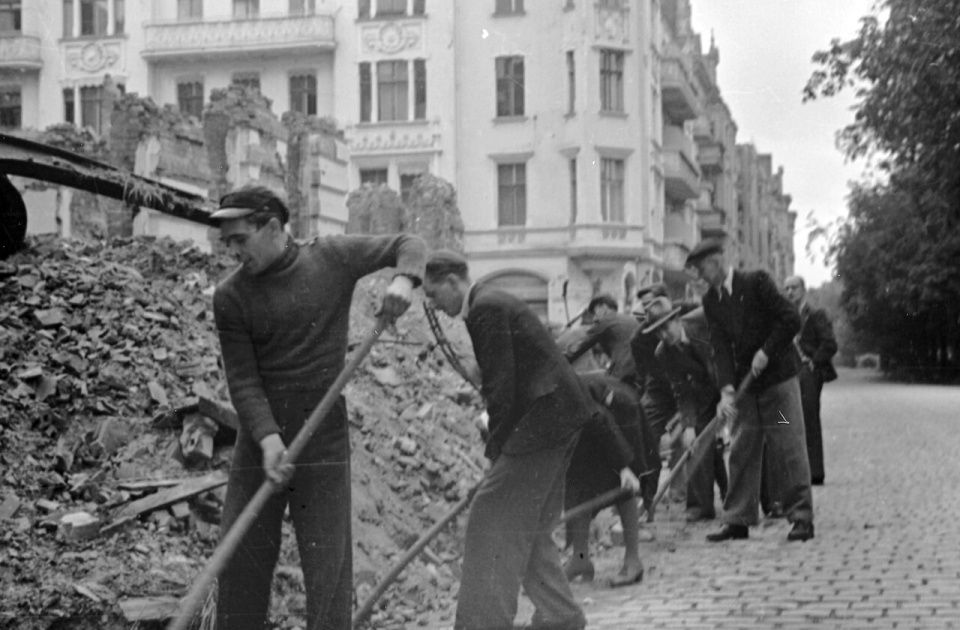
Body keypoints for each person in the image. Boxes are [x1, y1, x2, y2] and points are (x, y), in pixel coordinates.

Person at [211, 185, 426, 630]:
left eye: (240, 239)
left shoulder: (330, 258)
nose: (233, 252)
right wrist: (268, 440)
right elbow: (244, 381)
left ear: (272, 227)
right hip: (260, 439)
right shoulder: (230, 297)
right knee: (240, 561)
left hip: (322, 432)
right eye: (226, 242)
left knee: (328, 568)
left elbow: (410, 244)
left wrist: (405, 279)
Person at [423, 250, 590, 630]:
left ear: (453, 282)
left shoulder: (484, 307)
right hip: (556, 418)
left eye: (434, 295)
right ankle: (560, 616)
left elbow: (501, 387)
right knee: (528, 527)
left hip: (543, 423)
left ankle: (484, 623)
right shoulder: (489, 303)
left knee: (489, 515)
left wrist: (495, 452)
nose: (434, 305)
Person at [685, 238, 815, 543]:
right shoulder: (712, 302)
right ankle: (738, 519)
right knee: (742, 449)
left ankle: (801, 519)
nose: (699, 276)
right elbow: (720, 349)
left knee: (787, 446)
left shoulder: (756, 282)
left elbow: (791, 319)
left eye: (701, 268)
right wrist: (727, 390)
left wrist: (767, 351)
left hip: (778, 383)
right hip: (748, 389)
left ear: (717, 261)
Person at [562, 372, 654, 588]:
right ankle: (580, 559)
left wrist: (624, 466)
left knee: (622, 482)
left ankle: (633, 560)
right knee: (576, 480)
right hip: (589, 417)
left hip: (618, 409)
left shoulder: (556, 395)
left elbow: (600, 420)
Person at [643, 296, 726, 522]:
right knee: (696, 437)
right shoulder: (663, 352)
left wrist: (727, 395)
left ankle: (770, 499)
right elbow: (681, 391)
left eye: (665, 327)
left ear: (677, 319)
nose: (663, 335)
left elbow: (726, 358)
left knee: (750, 433)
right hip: (704, 393)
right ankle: (701, 505)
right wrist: (688, 424)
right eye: (657, 331)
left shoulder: (703, 327)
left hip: (734, 377)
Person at [784, 275, 838, 486]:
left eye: (794, 288)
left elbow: (830, 344)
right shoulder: (785, 317)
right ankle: (794, 471)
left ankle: (815, 473)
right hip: (788, 373)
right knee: (785, 419)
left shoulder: (816, 315)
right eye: (786, 289)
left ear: (803, 290)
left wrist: (814, 362)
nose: (790, 292)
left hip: (808, 373)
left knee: (809, 419)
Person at [563, 294, 641, 386]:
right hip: (640, 371)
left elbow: (580, 346)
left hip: (623, 370)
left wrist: (560, 358)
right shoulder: (628, 319)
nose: (594, 318)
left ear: (603, 307)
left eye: (595, 313)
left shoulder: (604, 321)